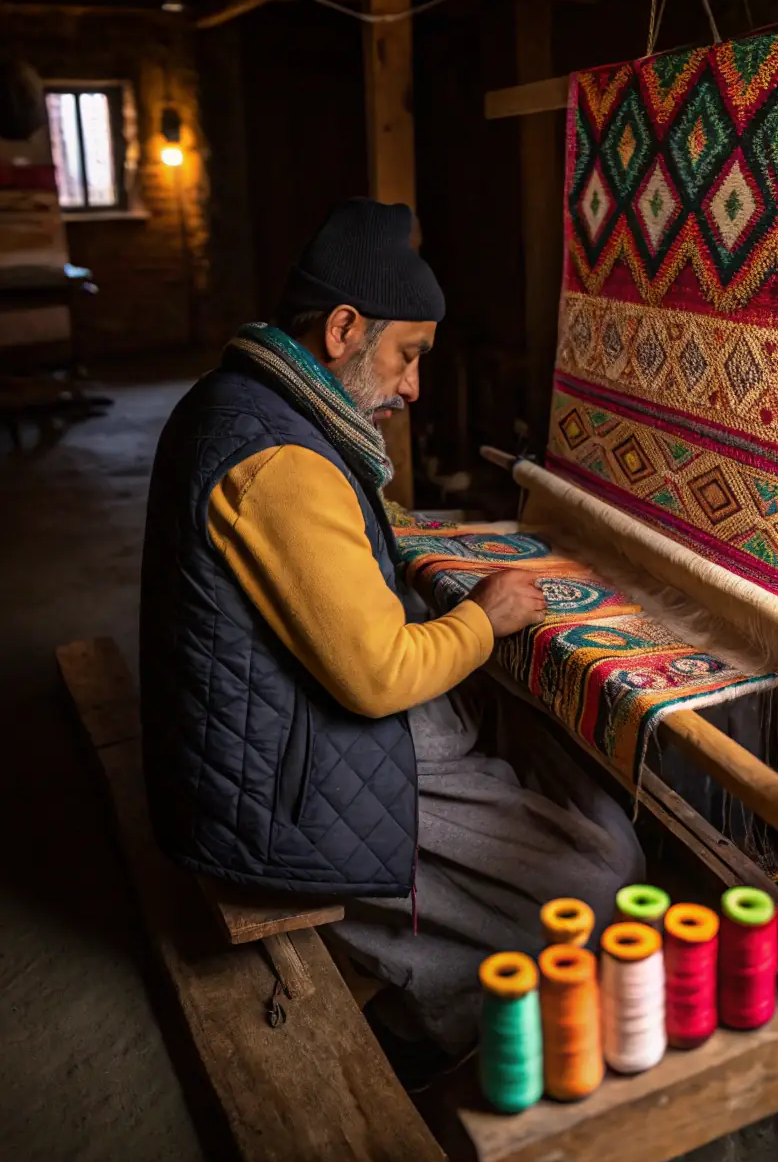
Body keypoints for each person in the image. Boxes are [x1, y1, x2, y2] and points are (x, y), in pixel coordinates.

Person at [139, 198, 644, 1081]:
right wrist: (483, 615)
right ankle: (441, 1024)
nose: (413, 387)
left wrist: (404, 555)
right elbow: (376, 675)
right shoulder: (282, 463)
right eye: (407, 355)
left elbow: (319, 550)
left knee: (540, 765)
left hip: (263, 729)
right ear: (342, 329)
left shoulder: (247, 400)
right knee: (600, 878)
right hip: (269, 784)